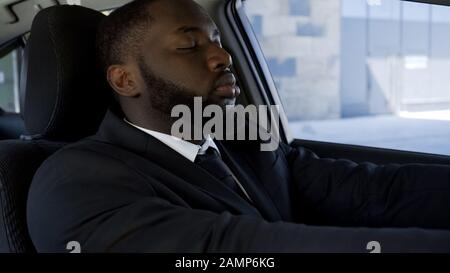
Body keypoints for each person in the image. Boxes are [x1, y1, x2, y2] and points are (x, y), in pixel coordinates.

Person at [27, 0, 450, 253]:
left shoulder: (241, 140)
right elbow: (231, 251)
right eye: (190, 45)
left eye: (217, 40)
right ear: (125, 80)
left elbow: (373, 191)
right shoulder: (75, 182)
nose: (221, 56)